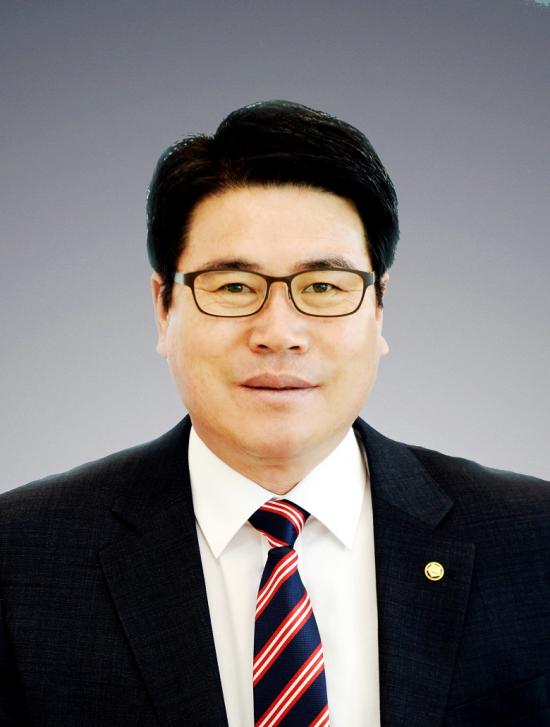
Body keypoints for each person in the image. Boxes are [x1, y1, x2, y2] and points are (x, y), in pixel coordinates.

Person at [0, 100, 549, 727]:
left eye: (323, 287)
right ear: (163, 309)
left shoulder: (533, 539)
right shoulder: (21, 560)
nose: (279, 333)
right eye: (234, 287)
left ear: (379, 309)